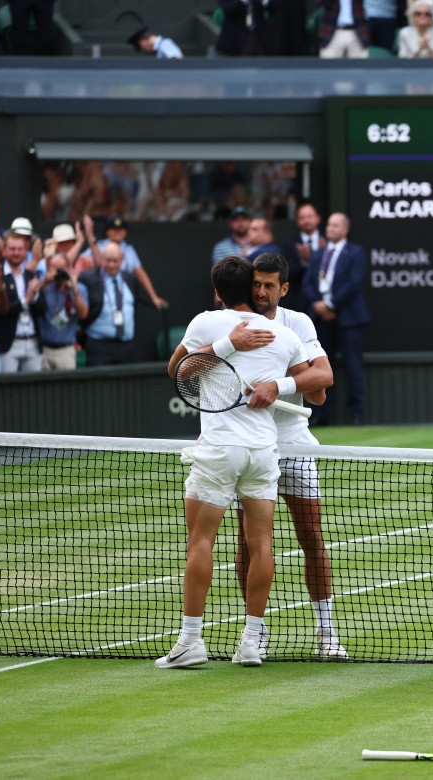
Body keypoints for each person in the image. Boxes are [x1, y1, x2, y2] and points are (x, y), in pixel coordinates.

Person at [156, 256, 313, 669]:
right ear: (253, 289)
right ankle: (250, 642)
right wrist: (279, 383)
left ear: (218, 293)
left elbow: (176, 372)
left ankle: (191, 641)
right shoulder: (283, 334)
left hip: (220, 452)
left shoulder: (204, 323)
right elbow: (317, 388)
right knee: (263, 545)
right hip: (263, 454)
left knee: (201, 542)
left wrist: (225, 347)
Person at [227, 252, 345, 659]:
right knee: (248, 542)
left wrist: (279, 385)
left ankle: (327, 632)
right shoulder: (234, 324)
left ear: (284, 288)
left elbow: (323, 379)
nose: (261, 292)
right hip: (253, 446)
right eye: (256, 284)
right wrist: (301, 381)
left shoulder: (297, 322)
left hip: (293, 444)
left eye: (269, 286)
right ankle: (254, 632)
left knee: (311, 536)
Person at [302, 212, 370, 425]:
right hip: (321, 320)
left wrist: (331, 304)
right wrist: (319, 305)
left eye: (335, 225)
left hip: (347, 318)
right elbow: (307, 283)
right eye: (329, 225)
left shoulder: (356, 252)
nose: (330, 228)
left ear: (345, 229)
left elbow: (354, 283)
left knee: (352, 366)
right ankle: (321, 415)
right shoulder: (318, 254)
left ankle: (356, 414)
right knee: (321, 368)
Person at [77, 242, 157, 367]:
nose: (111, 265)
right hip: (99, 345)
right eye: (107, 260)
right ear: (101, 259)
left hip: (126, 345)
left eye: (115, 261)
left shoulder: (130, 279)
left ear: (122, 260)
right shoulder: (89, 278)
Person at [82, 215, 168, 310]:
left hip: (123, 293)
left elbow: (141, 274)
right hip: (103, 293)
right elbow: (83, 262)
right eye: (114, 229)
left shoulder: (128, 249)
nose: (118, 232)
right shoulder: (99, 246)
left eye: (121, 229)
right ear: (107, 231)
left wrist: (153, 297)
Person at [0, 232, 45, 373]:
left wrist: (35, 296)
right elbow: (4, 310)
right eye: (12, 249)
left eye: (20, 249)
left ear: (26, 251)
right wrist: (26, 300)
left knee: (34, 390)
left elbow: (43, 308)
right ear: (4, 251)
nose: (16, 253)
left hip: (33, 342)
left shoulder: (31, 275)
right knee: (7, 390)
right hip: (9, 343)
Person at [37, 252, 87, 370]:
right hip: (44, 349)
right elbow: (36, 306)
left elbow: (83, 314)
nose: (59, 273)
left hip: (66, 349)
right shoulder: (44, 286)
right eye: (55, 269)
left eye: (62, 269)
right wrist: (45, 282)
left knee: (67, 387)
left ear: (69, 268)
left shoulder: (79, 288)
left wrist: (74, 289)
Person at [283, 203, 324, 302]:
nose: (306, 221)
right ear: (297, 221)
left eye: (310, 216)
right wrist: (304, 262)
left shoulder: (327, 242)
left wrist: (322, 255)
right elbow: (288, 275)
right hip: (300, 301)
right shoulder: (290, 245)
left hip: (324, 300)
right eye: (302, 218)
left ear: (318, 218)